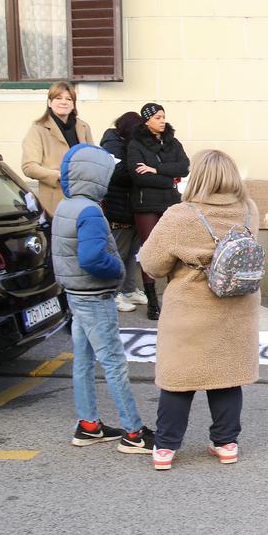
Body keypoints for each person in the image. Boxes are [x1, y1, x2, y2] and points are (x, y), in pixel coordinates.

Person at [138, 150, 261, 471]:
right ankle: (226, 443)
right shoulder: (249, 210)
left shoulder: (181, 215)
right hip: (237, 310)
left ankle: (165, 447)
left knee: (180, 377)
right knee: (227, 375)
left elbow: (151, 263)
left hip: (189, 312)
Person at [52, 143, 154, 454]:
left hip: (75, 293)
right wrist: (118, 271)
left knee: (83, 360)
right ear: (96, 176)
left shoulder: (65, 206)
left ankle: (88, 425)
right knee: (113, 362)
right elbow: (93, 258)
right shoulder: (91, 212)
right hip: (95, 296)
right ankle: (134, 432)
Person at [127, 102, 189, 320]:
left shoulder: (173, 142)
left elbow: (184, 167)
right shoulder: (136, 144)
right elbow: (137, 175)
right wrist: (168, 179)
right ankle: (153, 301)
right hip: (145, 204)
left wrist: (156, 169)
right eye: (157, 117)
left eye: (163, 116)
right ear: (147, 121)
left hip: (170, 203)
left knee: (173, 249)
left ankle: (174, 297)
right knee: (149, 251)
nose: (162, 121)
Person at [99, 112, 148, 313]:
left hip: (134, 206)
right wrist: (142, 167)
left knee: (131, 253)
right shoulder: (112, 144)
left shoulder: (130, 144)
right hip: (119, 208)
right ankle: (113, 293)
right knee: (117, 251)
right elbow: (119, 174)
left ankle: (129, 289)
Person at [22, 81, 93, 217]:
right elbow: (29, 166)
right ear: (49, 102)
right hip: (56, 200)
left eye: (68, 99)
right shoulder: (38, 129)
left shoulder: (83, 127)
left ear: (73, 104)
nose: (63, 102)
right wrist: (58, 175)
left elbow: (92, 159)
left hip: (84, 197)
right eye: (58, 98)